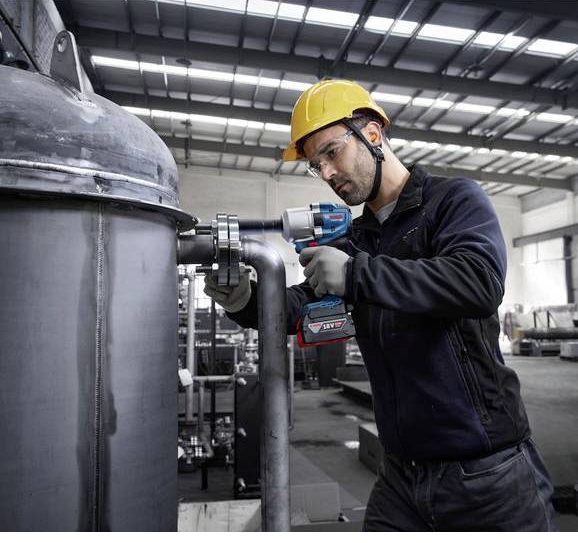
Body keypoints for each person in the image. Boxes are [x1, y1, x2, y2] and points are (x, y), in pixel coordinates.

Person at [204, 79, 557, 531]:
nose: (327, 173)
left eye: (331, 152)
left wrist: (356, 275)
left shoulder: (453, 201)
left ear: (372, 134)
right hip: (401, 475)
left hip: (485, 472)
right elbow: (294, 306)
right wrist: (246, 299)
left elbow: (479, 282)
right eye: (315, 166)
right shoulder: (356, 239)